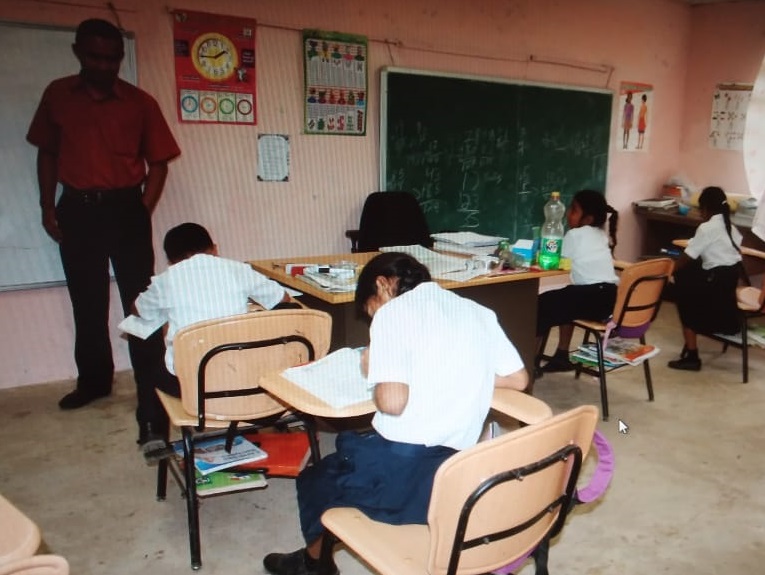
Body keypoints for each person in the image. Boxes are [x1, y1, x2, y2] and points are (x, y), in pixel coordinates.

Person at [262, 252, 528, 575]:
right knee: (346, 460)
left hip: (408, 477)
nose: (376, 319)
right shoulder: (478, 312)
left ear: (383, 285)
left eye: (372, 311)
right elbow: (518, 379)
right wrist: (460, 373)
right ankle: (315, 558)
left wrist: (376, 367)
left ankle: (313, 563)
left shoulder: (394, 313)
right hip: (460, 473)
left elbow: (392, 402)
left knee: (317, 479)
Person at [25, 19, 181, 444]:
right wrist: (46, 207)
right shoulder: (58, 95)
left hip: (125, 208)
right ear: (79, 53)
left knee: (141, 306)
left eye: (112, 58)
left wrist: (142, 209)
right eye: (95, 56)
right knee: (87, 301)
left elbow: (160, 163)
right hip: (76, 208)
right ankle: (94, 381)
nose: (104, 65)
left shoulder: (140, 103)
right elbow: (47, 154)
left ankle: (150, 394)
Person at [129, 223, 296, 442]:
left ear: (171, 261)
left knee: (142, 341)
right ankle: (264, 415)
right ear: (215, 249)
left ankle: (152, 430)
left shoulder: (166, 280)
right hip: (245, 380)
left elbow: (137, 310)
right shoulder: (237, 269)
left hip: (192, 389)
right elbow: (283, 301)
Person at [536, 190, 620, 373]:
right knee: (567, 295)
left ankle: (530, 361)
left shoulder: (575, 235)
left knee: (540, 305)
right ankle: (561, 355)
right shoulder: (601, 235)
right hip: (609, 299)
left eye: (573, 210)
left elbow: (553, 259)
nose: (567, 214)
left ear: (588, 219)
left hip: (590, 298)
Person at [667, 186, 742, 371]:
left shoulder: (707, 227)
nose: (700, 213)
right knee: (690, 275)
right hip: (727, 285)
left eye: (700, 209)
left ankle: (692, 356)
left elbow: (686, 258)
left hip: (714, 285)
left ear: (706, 208)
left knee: (681, 292)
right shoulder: (731, 227)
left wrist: (666, 273)